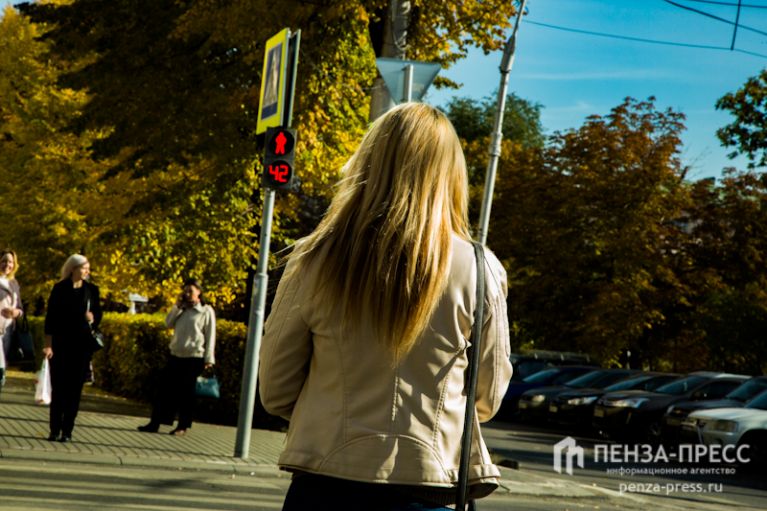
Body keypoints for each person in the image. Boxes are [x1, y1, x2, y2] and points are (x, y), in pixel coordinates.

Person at [258, 103, 513, 511]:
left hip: (326, 485)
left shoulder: (314, 259)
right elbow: (487, 399)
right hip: (430, 487)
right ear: (451, 175)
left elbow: (275, 390)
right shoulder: (480, 269)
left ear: (369, 161)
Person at [138, 279, 216, 436]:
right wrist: (178, 307)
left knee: (186, 394)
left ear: (199, 292)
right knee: (164, 391)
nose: (187, 295)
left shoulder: (206, 311)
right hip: (176, 355)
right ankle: (156, 422)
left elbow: (210, 336)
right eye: (185, 291)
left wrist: (209, 359)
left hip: (194, 357)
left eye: (191, 292)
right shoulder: (182, 309)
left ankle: (183, 425)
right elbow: (168, 323)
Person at [43, 254, 102, 442]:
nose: (87, 271)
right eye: (84, 267)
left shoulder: (92, 290)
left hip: (82, 347)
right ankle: (54, 429)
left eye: (88, 268)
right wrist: (48, 345)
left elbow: (99, 315)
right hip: (61, 346)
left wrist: (92, 318)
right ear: (73, 268)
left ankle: (67, 430)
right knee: (59, 389)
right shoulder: (59, 289)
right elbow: (50, 319)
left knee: (74, 391)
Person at [0, 250, 24, 394]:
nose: (7, 264)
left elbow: (20, 308)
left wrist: (16, 312)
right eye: (4, 261)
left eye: (10, 262)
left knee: (2, 371)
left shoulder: (13, 283)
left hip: (8, 331)